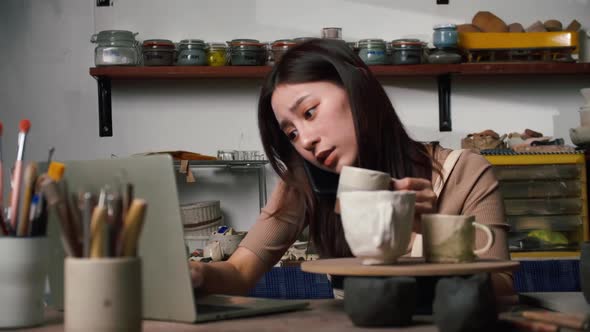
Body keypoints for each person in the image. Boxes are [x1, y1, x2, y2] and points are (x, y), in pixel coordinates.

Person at [190, 38, 514, 298]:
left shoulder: (463, 172)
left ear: (356, 87)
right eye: (291, 133)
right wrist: (196, 273)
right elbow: (239, 273)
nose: (306, 140)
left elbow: (501, 287)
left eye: (310, 112)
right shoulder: (304, 186)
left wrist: (424, 236)